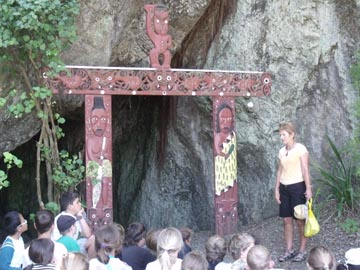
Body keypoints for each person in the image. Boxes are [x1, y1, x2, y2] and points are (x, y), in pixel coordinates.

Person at [275, 122, 312, 262]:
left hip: (298, 187)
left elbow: (305, 170)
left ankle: (302, 250)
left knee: (300, 221)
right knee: (286, 220)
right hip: (284, 188)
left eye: (284, 135)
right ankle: (289, 250)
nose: (281, 137)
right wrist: (276, 189)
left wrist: (308, 189)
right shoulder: (281, 151)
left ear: (292, 134)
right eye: (280, 135)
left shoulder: (301, 149)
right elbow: (279, 171)